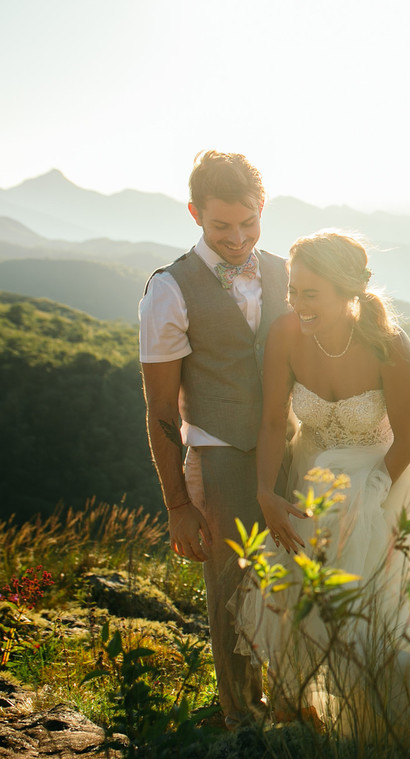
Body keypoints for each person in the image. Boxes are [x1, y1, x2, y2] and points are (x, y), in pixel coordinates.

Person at [236, 230, 410, 741]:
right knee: (304, 600)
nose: (297, 303)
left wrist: (373, 497)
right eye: (292, 291)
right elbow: (275, 421)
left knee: (377, 611)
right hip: (313, 479)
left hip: (386, 479)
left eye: (310, 293)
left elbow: (409, 437)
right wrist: (265, 491)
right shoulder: (284, 335)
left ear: (348, 292)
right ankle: (308, 716)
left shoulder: (388, 343)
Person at [139, 151, 287, 728]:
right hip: (220, 451)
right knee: (233, 586)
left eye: (248, 223)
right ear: (196, 214)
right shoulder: (168, 291)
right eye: (221, 225)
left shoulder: (284, 270)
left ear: (262, 208)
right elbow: (158, 411)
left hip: (288, 446)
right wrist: (178, 504)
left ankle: (294, 697)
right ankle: (244, 719)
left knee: (295, 577)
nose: (237, 238)